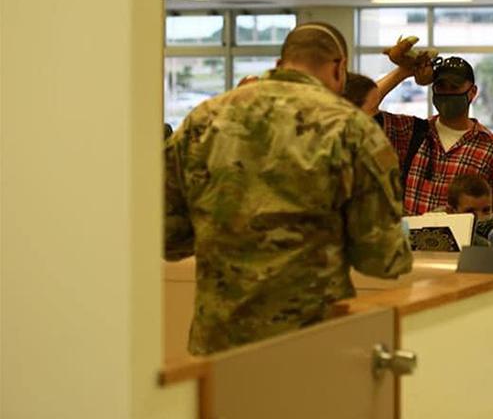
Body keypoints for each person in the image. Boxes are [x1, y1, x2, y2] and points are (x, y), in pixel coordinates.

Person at [164, 22, 413, 356]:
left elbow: (168, 238)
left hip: (219, 345)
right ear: (339, 67)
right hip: (313, 343)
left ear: (281, 63)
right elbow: (383, 259)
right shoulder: (351, 128)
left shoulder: (202, 120)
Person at [374, 51, 493, 219]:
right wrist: (404, 71)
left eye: (454, 87)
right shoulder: (412, 131)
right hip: (411, 242)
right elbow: (361, 109)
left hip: (466, 243)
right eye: (441, 87)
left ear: (472, 92)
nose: (447, 93)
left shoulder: (492, 147)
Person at [444, 173, 493, 242]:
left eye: (486, 210)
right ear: (451, 211)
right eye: (471, 212)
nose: (480, 218)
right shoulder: (439, 226)